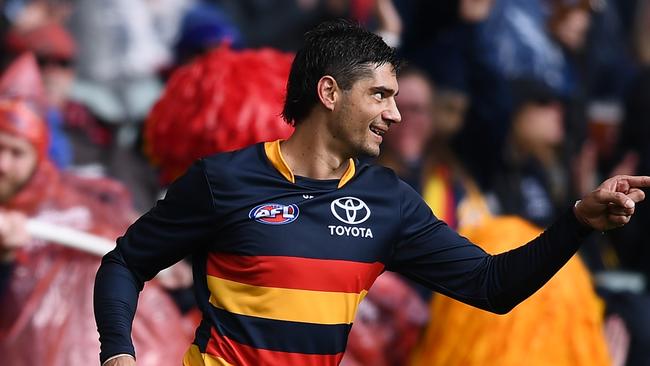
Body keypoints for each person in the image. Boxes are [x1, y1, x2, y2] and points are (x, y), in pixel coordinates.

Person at [94, 19, 650, 366]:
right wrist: (118, 351)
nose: (396, 113)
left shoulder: (389, 201)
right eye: (381, 95)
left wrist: (577, 220)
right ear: (330, 92)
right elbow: (123, 263)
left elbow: (492, 285)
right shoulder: (222, 180)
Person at [0, 56, 193, 366]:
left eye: (16, 152)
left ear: (38, 155)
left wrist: (170, 270)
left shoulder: (87, 204)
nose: (3, 165)